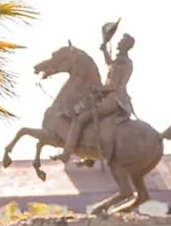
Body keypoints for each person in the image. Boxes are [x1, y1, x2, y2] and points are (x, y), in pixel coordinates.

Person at [55, 32, 135, 163]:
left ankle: (67, 152)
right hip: (115, 97)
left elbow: (114, 85)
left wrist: (99, 89)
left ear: (125, 45)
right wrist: (104, 50)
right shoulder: (122, 61)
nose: (118, 43)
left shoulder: (121, 62)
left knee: (80, 119)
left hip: (114, 99)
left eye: (121, 41)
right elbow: (109, 63)